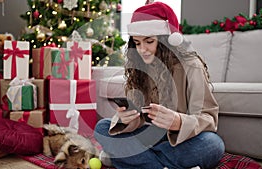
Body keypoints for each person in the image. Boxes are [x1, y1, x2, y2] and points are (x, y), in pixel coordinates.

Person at [94, 2, 225, 169]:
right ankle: (156, 163)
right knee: (102, 127)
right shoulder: (138, 69)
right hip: (149, 138)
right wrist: (126, 120)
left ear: (165, 41)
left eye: (149, 41)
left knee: (212, 144)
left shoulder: (191, 66)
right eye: (138, 43)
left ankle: (128, 159)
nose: (142, 50)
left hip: (180, 140)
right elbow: (139, 119)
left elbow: (208, 118)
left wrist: (178, 121)